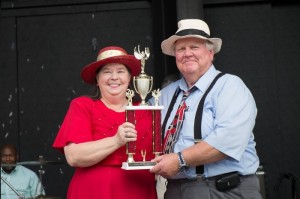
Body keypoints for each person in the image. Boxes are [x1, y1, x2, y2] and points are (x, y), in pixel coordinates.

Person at [150, 19, 262, 199]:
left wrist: (179, 160)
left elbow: (226, 142)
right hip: (175, 190)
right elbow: (140, 128)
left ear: (210, 53)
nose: (187, 54)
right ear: (175, 56)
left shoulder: (230, 86)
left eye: (194, 47)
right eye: (181, 49)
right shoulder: (163, 95)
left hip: (224, 190)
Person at [52, 46, 157, 199]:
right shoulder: (83, 106)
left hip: (138, 192)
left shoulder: (146, 111)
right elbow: (73, 156)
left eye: (120, 71)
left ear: (129, 79)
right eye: (107, 71)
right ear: (97, 79)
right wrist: (116, 140)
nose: (114, 77)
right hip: (92, 193)